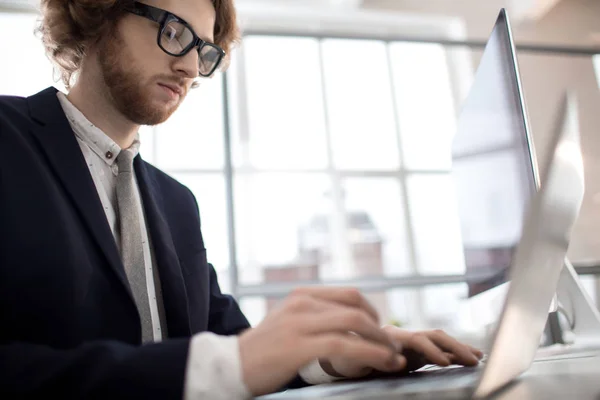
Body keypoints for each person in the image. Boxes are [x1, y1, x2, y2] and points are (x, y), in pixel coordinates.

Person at [0, 0, 483, 398]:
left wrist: (336, 354)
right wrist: (229, 364)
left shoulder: (176, 204)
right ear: (98, 12)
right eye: (173, 31)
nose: (190, 66)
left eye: (204, 51)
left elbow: (233, 349)